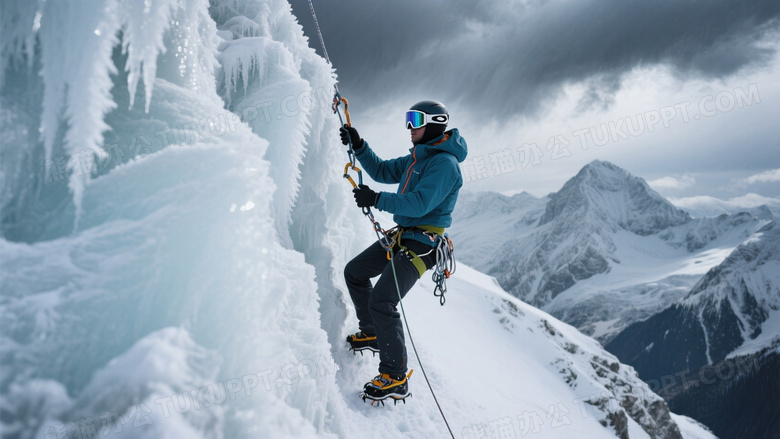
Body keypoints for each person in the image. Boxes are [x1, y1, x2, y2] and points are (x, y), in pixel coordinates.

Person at [340, 100, 468, 403]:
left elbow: (419, 203)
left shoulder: (445, 164)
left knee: (383, 300)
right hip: (405, 236)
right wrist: (359, 146)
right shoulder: (418, 157)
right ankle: (372, 331)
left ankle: (396, 376)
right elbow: (383, 170)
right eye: (409, 119)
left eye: (416, 120)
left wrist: (376, 199)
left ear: (435, 124)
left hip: (424, 244)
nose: (410, 127)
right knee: (355, 272)